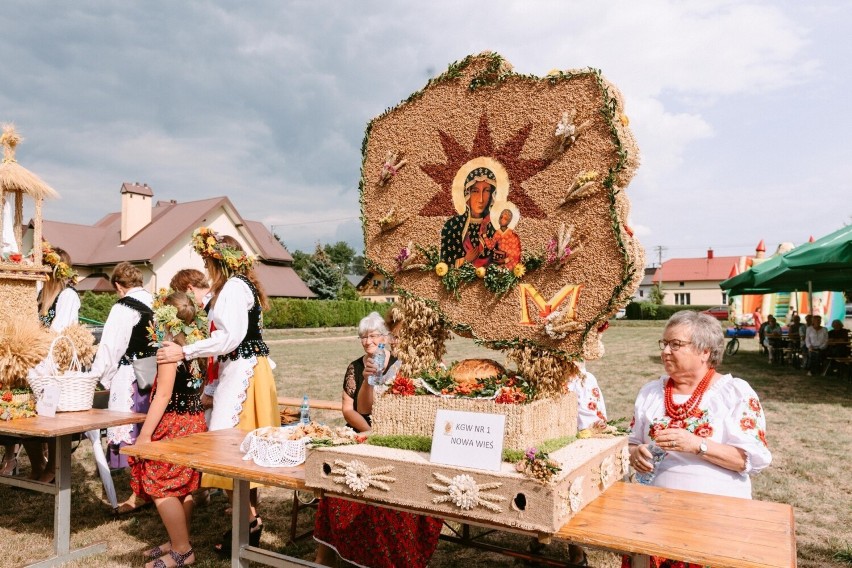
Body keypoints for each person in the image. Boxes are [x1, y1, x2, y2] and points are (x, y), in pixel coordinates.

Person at [157, 228, 279, 556]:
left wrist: (184, 351)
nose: (206, 270)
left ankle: (249, 524)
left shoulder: (234, 289)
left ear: (215, 260)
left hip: (244, 372)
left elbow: (229, 339)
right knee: (239, 448)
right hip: (244, 369)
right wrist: (211, 384)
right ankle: (248, 522)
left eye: (206, 261)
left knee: (226, 447)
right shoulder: (242, 286)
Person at [624, 311, 772, 568]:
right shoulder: (651, 392)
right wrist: (635, 453)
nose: (666, 351)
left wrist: (698, 445)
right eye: (664, 343)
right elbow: (631, 442)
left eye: (676, 344)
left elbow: (748, 461)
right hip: (652, 517)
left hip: (714, 523)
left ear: (705, 351)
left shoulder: (734, 393)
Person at [314, 308, 443, 568]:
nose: (368, 341)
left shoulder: (402, 365)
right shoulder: (357, 367)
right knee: (341, 488)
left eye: (373, 336)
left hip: (396, 435)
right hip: (364, 431)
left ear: (387, 338)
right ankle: (330, 554)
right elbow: (356, 409)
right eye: (363, 337)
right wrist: (368, 385)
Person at [129, 290, 208, 568]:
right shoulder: (196, 347)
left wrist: (146, 436)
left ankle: (182, 550)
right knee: (182, 485)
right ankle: (176, 541)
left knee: (160, 485)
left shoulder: (168, 352)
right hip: (194, 420)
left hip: (172, 423)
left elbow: (162, 395)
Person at [1, 244, 80, 480]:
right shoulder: (40, 296)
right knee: (27, 416)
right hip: (34, 366)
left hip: (55, 365)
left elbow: (59, 331)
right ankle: (37, 465)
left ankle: (53, 468)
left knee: (53, 419)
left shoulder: (67, 296)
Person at [89, 261, 156, 512]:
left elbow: (110, 347)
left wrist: (99, 378)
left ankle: (137, 493)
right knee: (148, 428)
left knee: (131, 430)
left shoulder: (123, 307)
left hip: (130, 376)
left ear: (118, 286)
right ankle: (148, 486)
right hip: (156, 374)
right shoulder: (156, 302)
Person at [441, 166, 498, 268]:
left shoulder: (494, 227)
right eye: (475, 191)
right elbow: (444, 266)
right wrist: (465, 260)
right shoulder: (453, 226)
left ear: (492, 195)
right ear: (467, 194)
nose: (481, 199)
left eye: (486, 191)